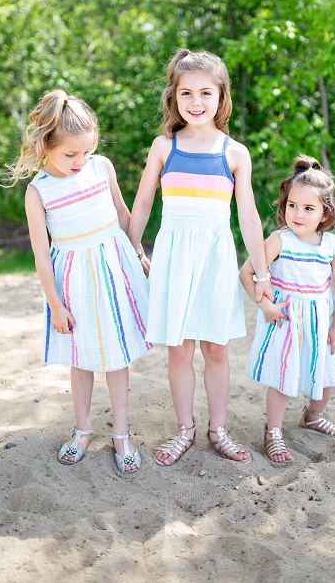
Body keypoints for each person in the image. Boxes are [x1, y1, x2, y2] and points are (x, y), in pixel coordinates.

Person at [128, 49, 271, 466]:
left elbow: (247, 215)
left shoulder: (234, 152)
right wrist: (132, 249)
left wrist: (261, 271)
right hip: (173, 258)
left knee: (216, 349)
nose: (195, 101)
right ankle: (185, 429)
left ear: (221, 96)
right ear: (173, 97)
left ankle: (218, 429)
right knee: (177, 349)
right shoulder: (163, 146)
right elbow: (142, 203)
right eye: (186, 92)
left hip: (214, 260)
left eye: (205, 92)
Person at [11, 90, 152, 474]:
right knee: (82, 357)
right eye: (70, 154)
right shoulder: (38, 192)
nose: (80, 161)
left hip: (114, 268)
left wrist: (140, 255)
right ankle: (83, 429)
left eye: (85, 151)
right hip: (73, 281)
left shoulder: (101, 167)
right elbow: (42, 254)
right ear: (46, 146)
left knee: (117, 354)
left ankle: (121, 434)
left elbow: (123, 217)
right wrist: (56, 304)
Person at [241, 156, 335, 465]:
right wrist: (266, 306)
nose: (298, 214)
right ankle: (273, 430)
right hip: (286, 320)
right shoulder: (279, 240)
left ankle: (313, 417)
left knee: (326, 376)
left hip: (319, 322)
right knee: (282, 379)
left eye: (308, 208)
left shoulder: (332, 245)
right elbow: (247, 273)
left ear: (324, 213)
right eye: (292, 205)